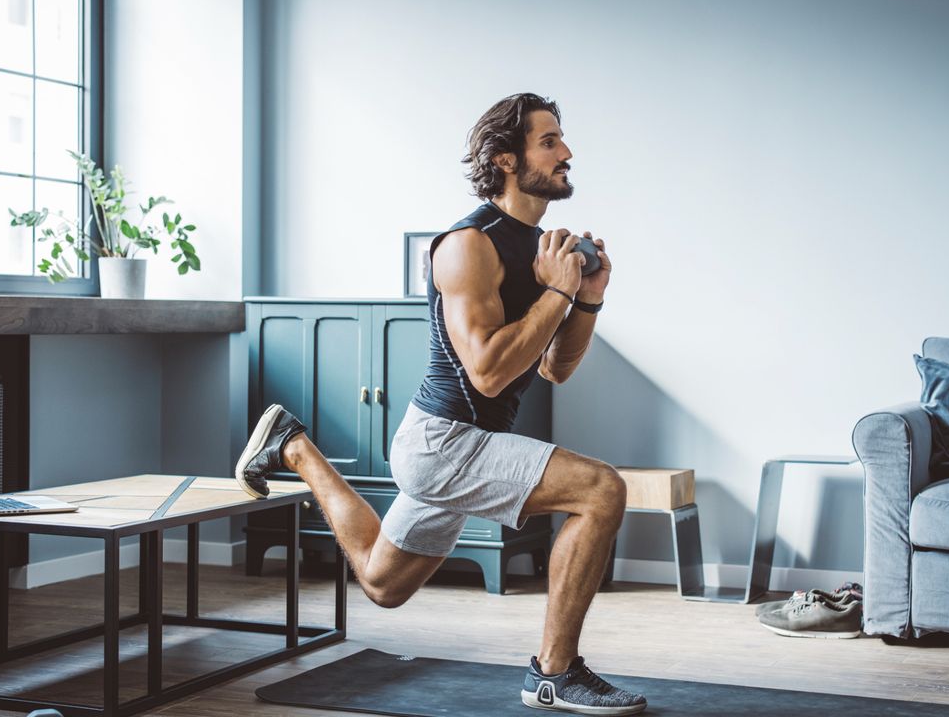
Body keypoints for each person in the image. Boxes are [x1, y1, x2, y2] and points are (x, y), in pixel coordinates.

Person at [236, 93, 645, 716]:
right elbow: (484, 373)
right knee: (601, 490)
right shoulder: (466, 244)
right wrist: (557, 293)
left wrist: (586, 296)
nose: (566, 152)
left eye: (562, 140)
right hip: (448, 441)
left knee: (381, 582)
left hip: (451, 446)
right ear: (507, 159)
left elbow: (555, 368)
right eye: (549, 141)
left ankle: (292, 443)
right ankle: (555, 674)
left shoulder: (538, 250)